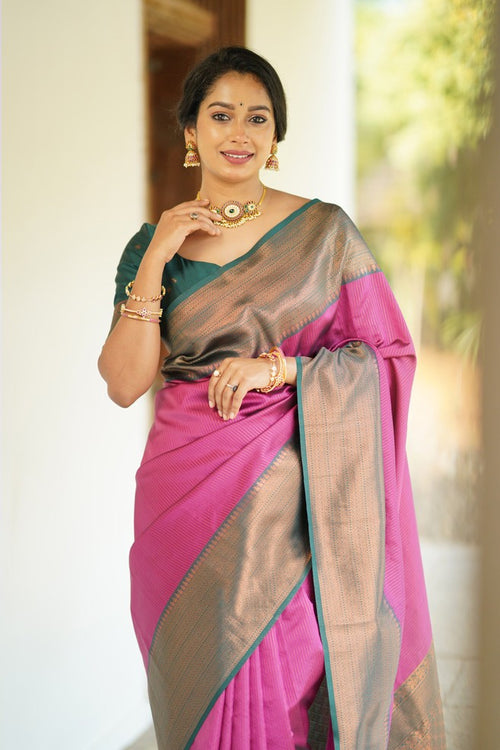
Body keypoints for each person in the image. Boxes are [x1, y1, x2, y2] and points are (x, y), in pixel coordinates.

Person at [98, 46, 445, 750]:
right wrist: (159, 255)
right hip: (181, 500)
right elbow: (125, 383)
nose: (239, 132)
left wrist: (280, 370)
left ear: (276, 137)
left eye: (257, 118)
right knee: (193, 689)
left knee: (288, 683)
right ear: (191, 131)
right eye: (220, 115)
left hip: (290, 507)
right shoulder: (152, 247)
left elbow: (386, 356)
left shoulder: (325, 235)